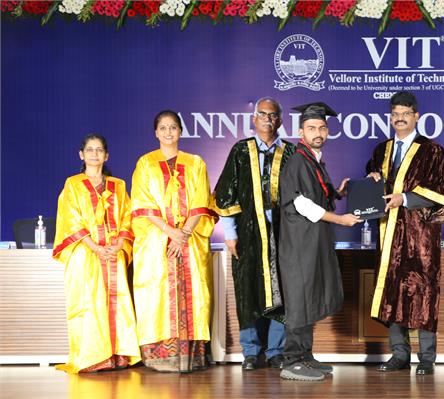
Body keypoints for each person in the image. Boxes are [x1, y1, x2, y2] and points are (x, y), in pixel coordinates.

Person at [366, 91, 444, 376]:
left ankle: (427, 358)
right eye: (395, 114)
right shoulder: (381, 150)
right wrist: (372, 178)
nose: (400, 119)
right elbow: (371, 183)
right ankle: (399, 354)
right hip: (389, 232)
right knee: (392, 289)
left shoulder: (432, 151)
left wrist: (404, 198)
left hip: (420, 236)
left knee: (424, 290)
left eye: (405, 114)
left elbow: (442, 192)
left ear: (416, 116)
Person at [278, 102, 361, 381]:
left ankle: (305, 355)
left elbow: (316, 194)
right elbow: (301, 203)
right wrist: (340, 220)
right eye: (311, 127)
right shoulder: (297, 161)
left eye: (322, 128)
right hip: (299, 243)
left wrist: (339, 192)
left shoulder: (313, 159)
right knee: (299, 297)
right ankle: (292, 360)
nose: (318, 132)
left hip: (312, 241)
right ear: (300, 132)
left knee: (309, 295)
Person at [213, 97, 295, 370]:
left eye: (272, 115)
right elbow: (227, 192)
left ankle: (275, 351)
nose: (267, 119)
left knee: (281, 289)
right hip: (248, 233)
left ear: (280, 120)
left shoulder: (291, 152)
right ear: (254, 118)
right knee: (247, 288)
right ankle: (250, 351)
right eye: (262, 114)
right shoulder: (241, 150)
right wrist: (230, 233)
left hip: (282, 234)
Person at [131, 110, 216, 373]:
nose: (168, 132)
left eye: (173, 127)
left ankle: (192, 356)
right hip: (157, 240)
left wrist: (183, 234)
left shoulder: (196, 163)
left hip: (190, 240)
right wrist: (170, 232)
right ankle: (159, 357)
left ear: (180, 131)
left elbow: (202, 202)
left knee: (195, 292)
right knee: (156, 292)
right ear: (156, 133)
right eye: (163, 127)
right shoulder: (145, 163)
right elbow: (142, 205)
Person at [53, 134, 140, 373]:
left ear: (106, 155)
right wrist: (96, 247)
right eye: (90, 150)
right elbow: (71, 220)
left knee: (117, 301)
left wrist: (119, 244)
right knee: (88, 302)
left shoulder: (118, 186)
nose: (94, 154)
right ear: (81, 155)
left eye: (99, 150)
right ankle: (92, 357)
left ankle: (118, 354)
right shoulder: (73, 184)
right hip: (86, 252)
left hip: (113, 252)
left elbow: (127, 217)